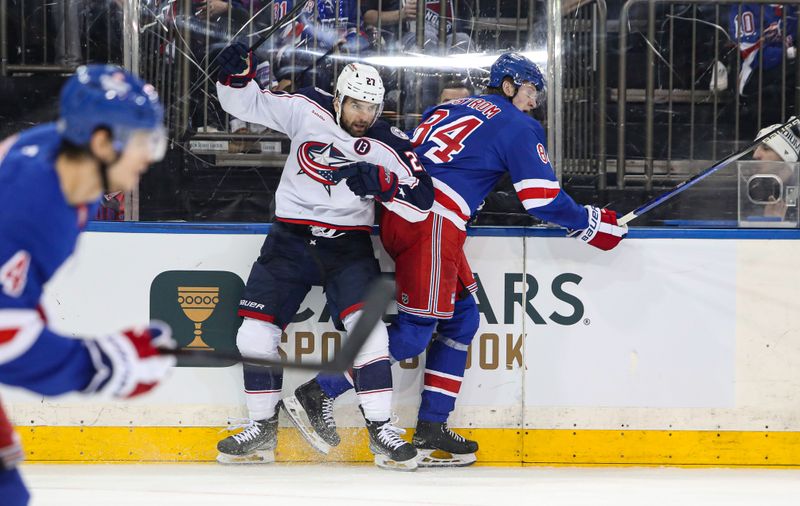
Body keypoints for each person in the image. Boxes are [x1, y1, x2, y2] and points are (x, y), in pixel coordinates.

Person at [305, 52, 627, 467]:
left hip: (406, 216)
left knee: (462, 319)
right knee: (417, 331)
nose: (534, 102)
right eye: (530, 92)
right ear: (509, 86)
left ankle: (431, 427)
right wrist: (592, 225)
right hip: (432, 224)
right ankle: (319, 391)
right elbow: (540, 198)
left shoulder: (448, 106)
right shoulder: (518, 125)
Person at [212, 43, 434, 470]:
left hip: (347, 248)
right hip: (289, 241)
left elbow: (422, 199)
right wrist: (236, 75)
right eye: (355, 105)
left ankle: (382, 433)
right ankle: (262, 431)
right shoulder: (305, 107)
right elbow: (249, 103)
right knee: (253, 336)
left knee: (371, 336)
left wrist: (383, 183)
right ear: (338, 98)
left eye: (371, 107)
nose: (362, 116)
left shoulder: (388, 141)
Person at [0, 64, 176, 505]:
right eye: (140, 142)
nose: (148, 157)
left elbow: (17, 299)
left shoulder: (72, 176)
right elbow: (6, 340)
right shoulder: (28, 201)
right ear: (101, 141)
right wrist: (104, 365)